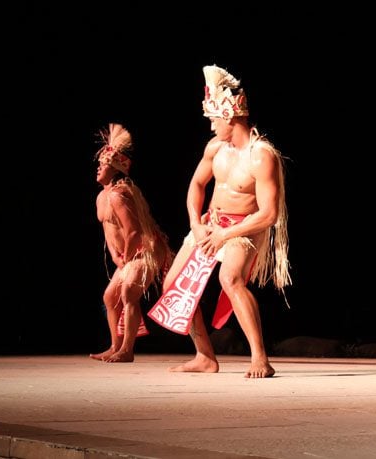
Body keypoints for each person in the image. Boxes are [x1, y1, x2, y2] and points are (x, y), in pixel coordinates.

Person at [152, 65, 290, 378]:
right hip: (210, 225)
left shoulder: (261, 155)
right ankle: (205, 356)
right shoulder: (215, 149)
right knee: (171, 284)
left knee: (231, 279)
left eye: (214, 119)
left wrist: (227, 234)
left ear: (230, 116)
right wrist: (196, 225)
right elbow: (196, 187)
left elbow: (268, 214)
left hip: (244, 229)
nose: (212, 127)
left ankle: (260, 358)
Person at [91, 123, 173, 363]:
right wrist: (117, 257)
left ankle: (127, 350)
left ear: (115, 169)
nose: (98, 168)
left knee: (128, 292)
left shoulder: (120, 195)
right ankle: (115, 346)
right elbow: (108, 228)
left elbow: (135, 231)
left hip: (145, 250)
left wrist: (126, 255)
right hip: (128, 253)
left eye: (103, 165)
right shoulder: (102, 196)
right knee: (110, 297)